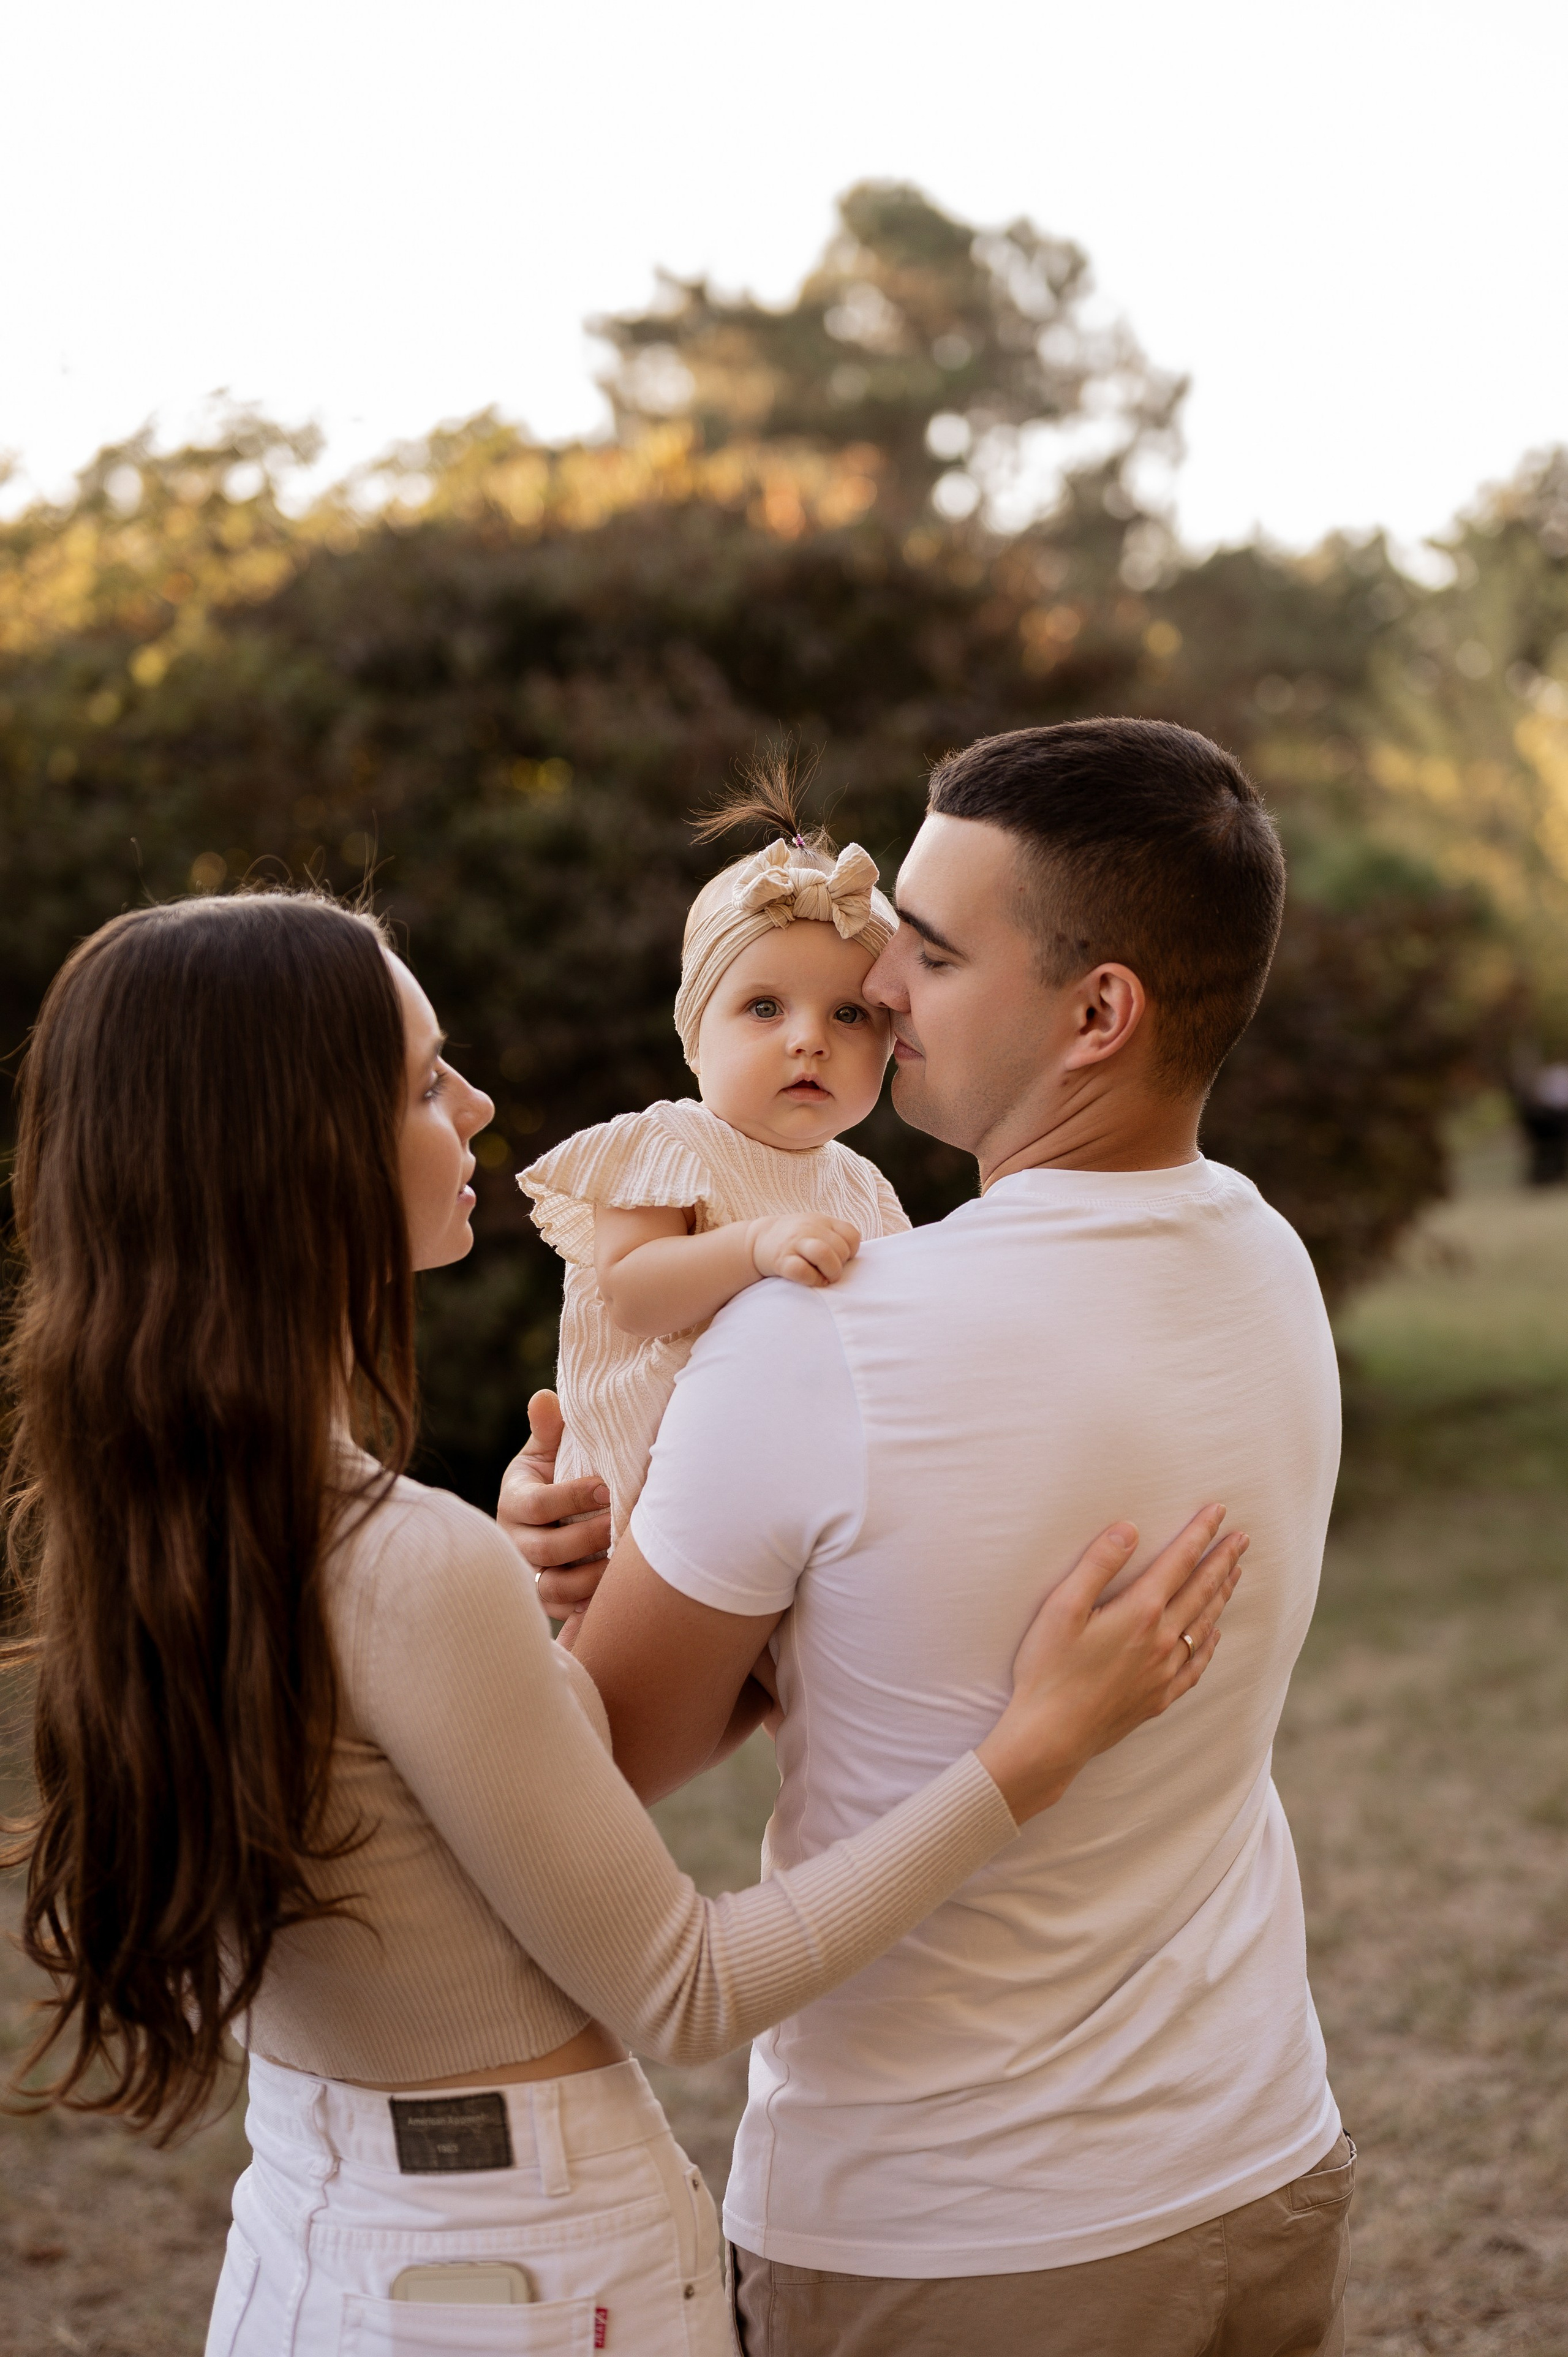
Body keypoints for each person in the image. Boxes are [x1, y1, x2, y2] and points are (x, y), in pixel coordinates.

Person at [1, 887, 1245, 2357]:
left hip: (313, 2252)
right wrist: (1028, 1752)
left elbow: (451, 1832)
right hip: (518, 2285)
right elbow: (687, 1988)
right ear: (297, 1155)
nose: (476, 1106)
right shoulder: (396, 1560)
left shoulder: (173, 1518)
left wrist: (570, 1615)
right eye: (423, 1082)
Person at [503, 718, 1354, 2357]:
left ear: (1098, 1014)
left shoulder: (821, 1337)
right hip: (1260, 2163)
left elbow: (597, 1760)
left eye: (935, 954)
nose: (880, 985)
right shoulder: (1268, 1259)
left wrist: (571, 1595)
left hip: (959, 2242)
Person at [518, 763, 908, 1553]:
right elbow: (631, 1292)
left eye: (848, 1014)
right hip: (638, 1515)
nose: (809, 1039)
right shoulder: (668, 1144)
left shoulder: (863, 1188)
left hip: (788, 1505)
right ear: (696, 1038)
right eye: (765, 1007)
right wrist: (754, 1247)